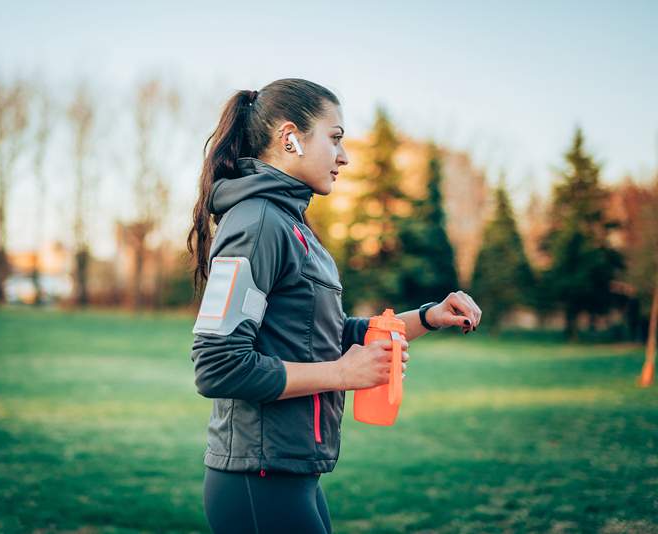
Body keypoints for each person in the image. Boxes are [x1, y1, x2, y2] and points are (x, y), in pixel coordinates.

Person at [186, 78, 483, 533]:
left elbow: (326, 333)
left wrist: (427, 317)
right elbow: (218, 365)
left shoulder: (293, 225)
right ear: (290, 138)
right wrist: (343, 374)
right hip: (256, 481)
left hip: (292, 475)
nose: (344, 156)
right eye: (336, 138)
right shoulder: (258, 223)